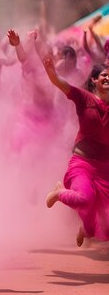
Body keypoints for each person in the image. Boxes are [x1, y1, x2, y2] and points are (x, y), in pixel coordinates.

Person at [44, 55, 109, 246]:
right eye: (104, 75)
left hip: (105, 170)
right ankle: (59, 192)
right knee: (84, 200)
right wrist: (51, 72)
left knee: (97, 229)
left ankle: (85, 230)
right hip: (83, 165)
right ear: (94, 80)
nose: (108, 79)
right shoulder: (84, 97)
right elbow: (61, 84)